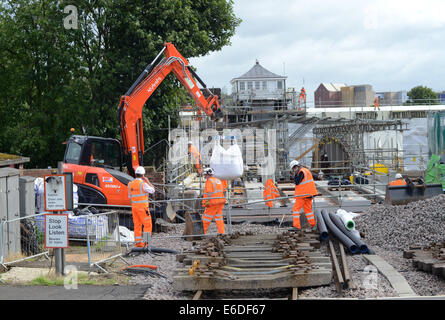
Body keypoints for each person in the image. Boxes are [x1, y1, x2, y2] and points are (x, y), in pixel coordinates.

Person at [128, 166, 155, 248]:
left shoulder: (130, 184)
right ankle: (146, 243)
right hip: (143, 208)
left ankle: (138, 243)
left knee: (137, 225)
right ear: (143, 175)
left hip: (134, 208)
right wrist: (148, 181)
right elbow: (153, 190)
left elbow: (130, 197)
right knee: (147, 225)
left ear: (135, 174)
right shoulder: (143, 184)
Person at [290, 160, 318, 229]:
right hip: (309, 194)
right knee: (308, 210)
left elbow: (297, 182)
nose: (294, 170)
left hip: (302, 194)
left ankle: (296, 226)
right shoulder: (305, 170)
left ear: (295, 166)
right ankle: (313, 225)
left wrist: (294, 175)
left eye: (293, 169)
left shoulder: (301, 172)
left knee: (295, 209)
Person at [202, 167, 226, 234]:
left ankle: (203, 233)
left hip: (212, 203)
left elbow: (209, 193)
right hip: (220, 202)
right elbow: (223, 191)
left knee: (206, 218)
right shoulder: (218, 180)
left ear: (208, 174)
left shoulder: (209, 181)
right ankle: (222, 233)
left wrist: (206, 202)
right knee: (219, 218)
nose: (204, 176)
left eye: (205, 175)